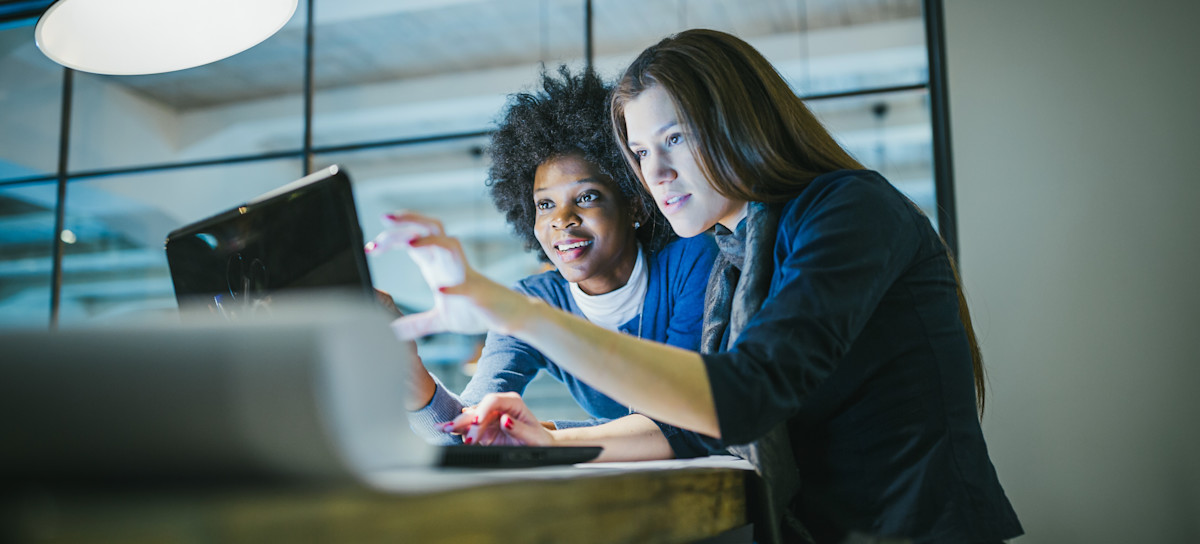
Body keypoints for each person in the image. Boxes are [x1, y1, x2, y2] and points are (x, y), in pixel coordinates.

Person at [376, 30, 1022, 543]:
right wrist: (552, 441)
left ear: (738, 122)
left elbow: (744, 397)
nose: (656, 172)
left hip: (916, 528)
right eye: (640, 151)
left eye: (675, 138)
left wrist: (515, 312)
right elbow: (699, 429)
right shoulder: (735, 248)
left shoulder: (848, 208)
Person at [376, 66, 718, 459]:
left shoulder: (692, 262)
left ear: (635, 204)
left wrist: (546, 434)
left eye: (586, 197)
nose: (561, 219)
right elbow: (470, 435)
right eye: (545, 204)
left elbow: (689, 424)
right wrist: (413, 378)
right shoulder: (532, 301)